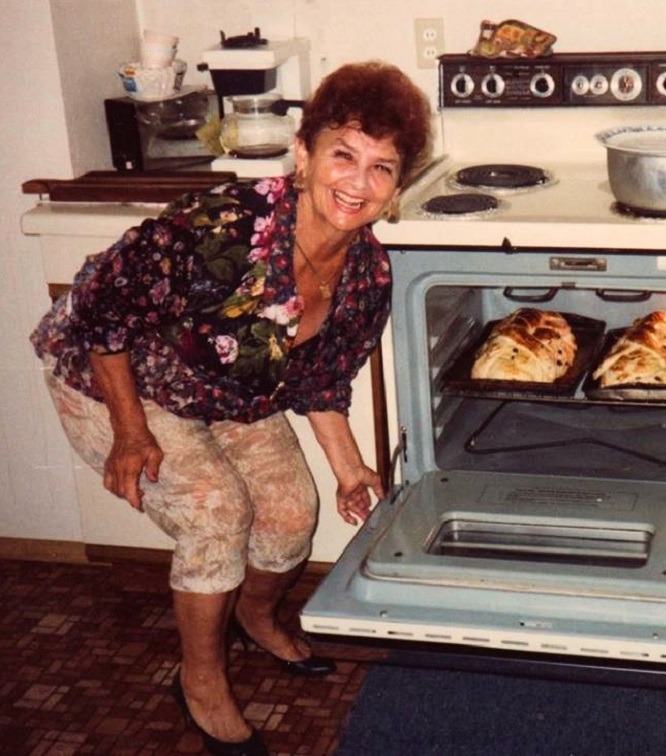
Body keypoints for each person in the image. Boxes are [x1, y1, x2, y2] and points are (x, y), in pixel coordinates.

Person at [31, 60, 432, 756]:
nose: (357, 183)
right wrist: (129, 432)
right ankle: (201, 681)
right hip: (115, 376)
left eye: (382, 168)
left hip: (223, 389)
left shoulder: (367, 271)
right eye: (343, 154)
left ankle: (255, 617)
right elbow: (100, 310)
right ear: (303, 154)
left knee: (289, 514)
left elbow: (320, 377)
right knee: (217, 512)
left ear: (397, 187)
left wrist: (349, 468)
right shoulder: (221, 227)